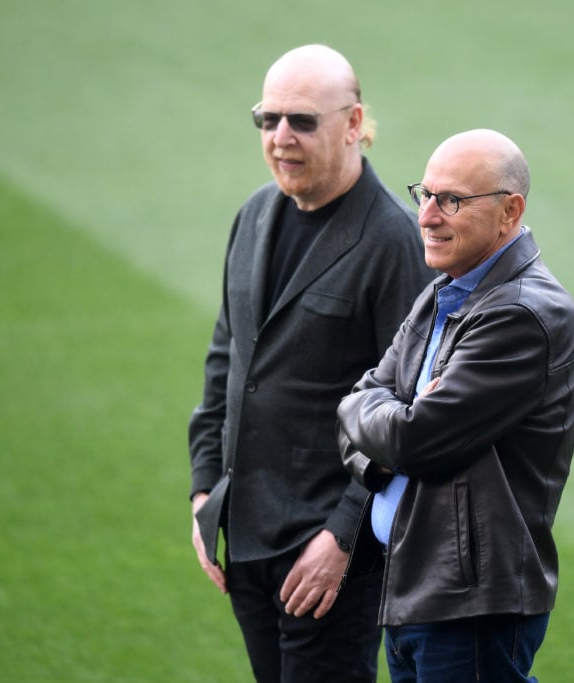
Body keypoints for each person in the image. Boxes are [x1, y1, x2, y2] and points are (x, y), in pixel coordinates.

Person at [187, 44, 434, 683]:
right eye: (268, 121)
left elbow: (408, 412)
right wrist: (204, 487)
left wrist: (344, 536)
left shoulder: (391, 242)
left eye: (302, 121)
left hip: (327, 557)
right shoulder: (254, 215)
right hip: (245, 535)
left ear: (354, 124)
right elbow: (227, 358)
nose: (281, 138)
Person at [337, 129, 574, 682]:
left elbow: (412, 439)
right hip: (415, 588)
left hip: (468, 606)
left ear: (509, 211)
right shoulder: (443, 292)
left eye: (450, 201)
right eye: (424, 195)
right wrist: (384, 429)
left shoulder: (522, 315)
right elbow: (357, 406)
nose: (426, 216)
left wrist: (389, 427)